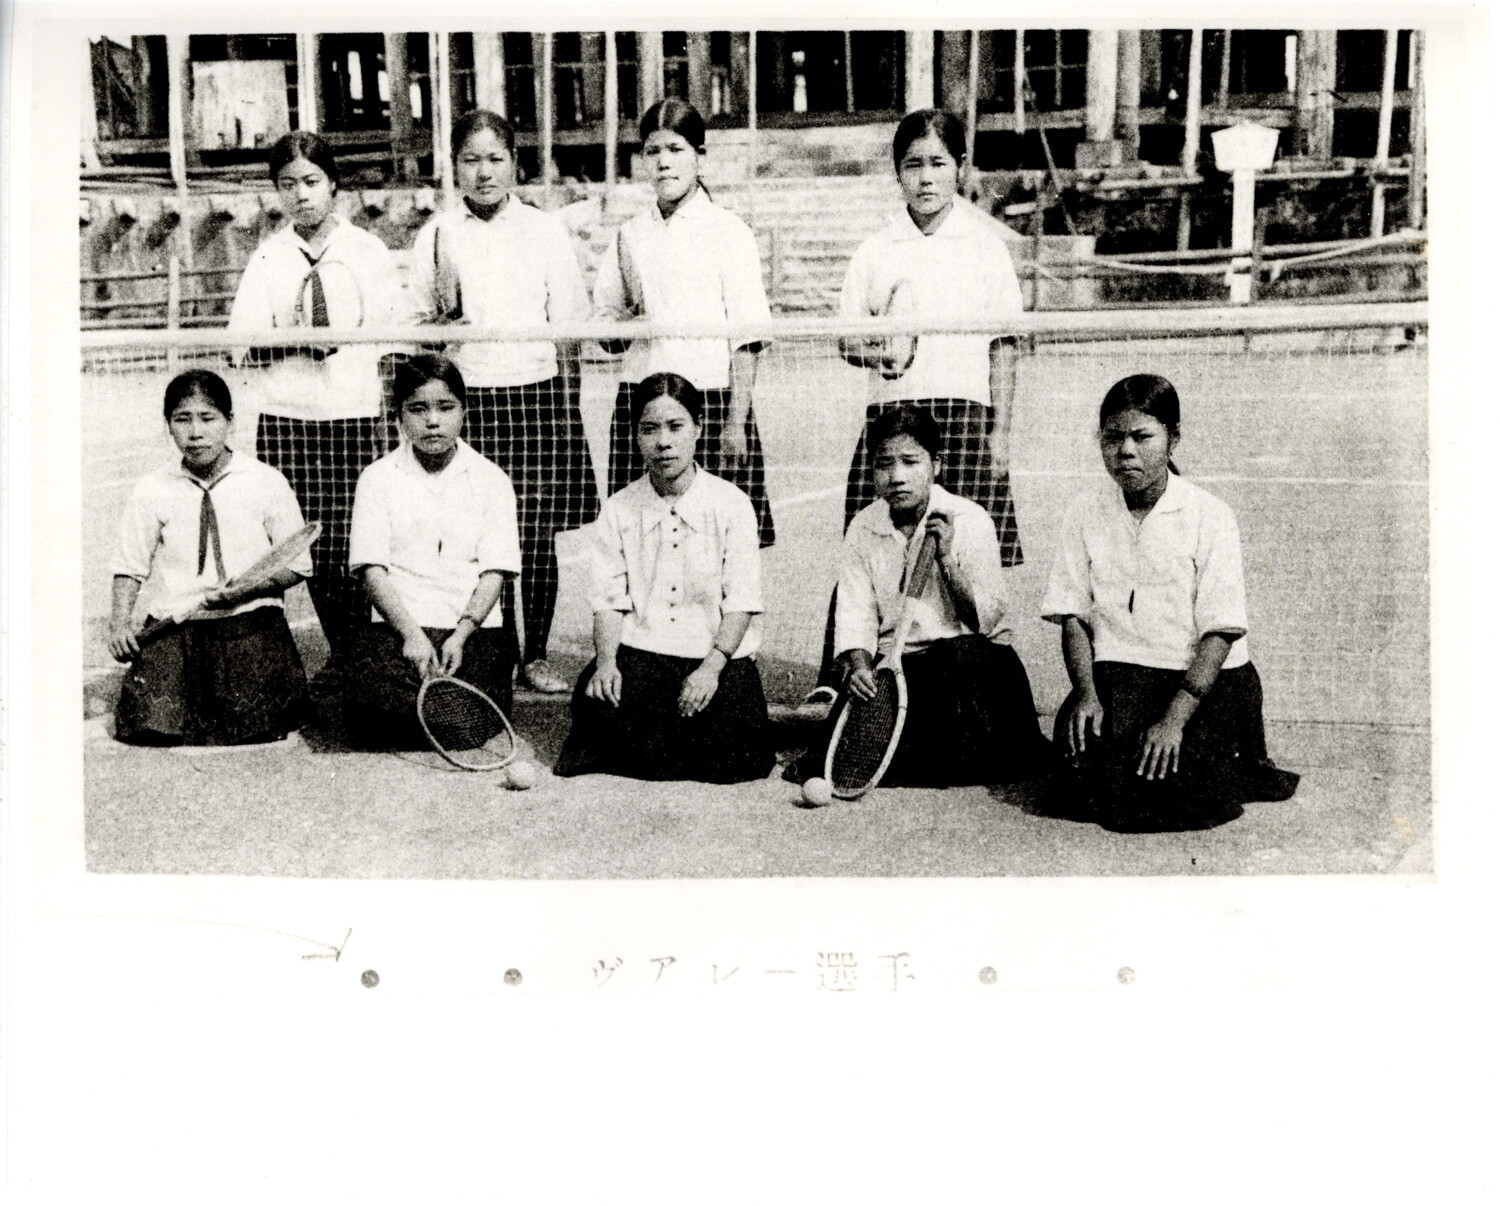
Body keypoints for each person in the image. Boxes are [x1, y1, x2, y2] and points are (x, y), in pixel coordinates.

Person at [809, 108, 1026, 700]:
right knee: (869, 542)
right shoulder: (877, 250)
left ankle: (980, 680)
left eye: (938, 163)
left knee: (967, 552)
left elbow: (1005, 346)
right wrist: (878, 351)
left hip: (964, 415)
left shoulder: (987, 248)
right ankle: (840, 678)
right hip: (895, 421)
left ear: (961, 167)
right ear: (897, 173)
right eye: (913, 165)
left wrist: (1001, 434)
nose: (926, 177)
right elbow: (848, 339)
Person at [1039, 374, 1300, 832]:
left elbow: (1221, 633)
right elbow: (1073, 615)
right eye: (1113, 437)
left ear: (1173, 439)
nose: (1126, 451)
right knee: (1077, 766)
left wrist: (1173, 722)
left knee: (1174, 785)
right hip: (1119, 675)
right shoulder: (1083, 511)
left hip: (1201, 682)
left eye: (1142, 437)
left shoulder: (1211, 515)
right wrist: (1086, 695)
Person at [407, 109, 597, 695]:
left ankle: (534, 653)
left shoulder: (544, 230)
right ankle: (483, 652)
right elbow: (416, 326)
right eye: (471, 160)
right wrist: (439, 326)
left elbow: (568, 327)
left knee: (535, 535)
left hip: (535, 397)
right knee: (473, 535)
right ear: (454, 167)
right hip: (468, 403)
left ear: (515, 163)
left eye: (495, 159)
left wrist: (566, 407)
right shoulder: (436, 233)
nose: (484, 172)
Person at [786, 405, 1050, 787]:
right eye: (883, 465)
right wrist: (860, 667)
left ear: (936, 465)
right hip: (897, 666)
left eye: (911, 462)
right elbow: (856, 615)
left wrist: (946, 560)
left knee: (970, 743)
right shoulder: (863, 525)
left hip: (967, 666)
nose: (896, 477)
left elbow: (986, 620)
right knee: (834, 756)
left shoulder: (970, 518)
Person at [227, 130, 404, 671]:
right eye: (287, 185)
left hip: (351, 418)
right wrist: (291, 338)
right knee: (297, 544)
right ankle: (331, 652)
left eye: (310, 182)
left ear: (333, 186)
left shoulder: (366, 251)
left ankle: (357, 654)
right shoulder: (268, 257)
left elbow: (393, 342)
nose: (300, 195)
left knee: (354, 540)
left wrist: (386, 417)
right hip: (289, 419)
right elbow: (240, 348)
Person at [555, 372, 774, 783]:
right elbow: (608, 600)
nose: (663, 442)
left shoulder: (733, 503)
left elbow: (743, 601)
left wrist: (710, 669)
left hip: (714, 657)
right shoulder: (619, 508)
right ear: (635, 436)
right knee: (597, 701)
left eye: (676, 427)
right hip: (643, 654)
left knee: (739, 751)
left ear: (698, 428)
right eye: (649, 429)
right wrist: (605, 663)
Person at [593, 98, 776, 548]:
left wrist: (735, 423)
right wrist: (622, 325)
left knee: (717, 543)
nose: (664, 163)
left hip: (710, 405)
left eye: (675, 149)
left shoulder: (729, 230)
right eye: (653, 152)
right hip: (641, 404)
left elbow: (747, 339)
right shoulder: (629, 234)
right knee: (639, 541)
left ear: (699, 155)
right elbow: (606, 332)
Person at [109, 370, 312, 745]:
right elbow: (129, 565)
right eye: (182, 419)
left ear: (230, 422)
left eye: (208, 418)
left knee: (255, 727)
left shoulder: (266, 480)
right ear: (168, 425)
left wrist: (244, 592)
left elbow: (298, 566)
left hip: (248, 619)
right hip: (177, 622)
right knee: (150, 725)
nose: (195, 432)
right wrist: (120, 623)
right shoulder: (151, 488)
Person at [344, 353, 522, 749]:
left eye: (445, 407)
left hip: (471, 631)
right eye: (417, 409)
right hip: (400, 630)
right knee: (368, 714)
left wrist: (459, 636)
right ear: (399, 416)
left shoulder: (492, 480)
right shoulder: (377, 479)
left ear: (464, 411)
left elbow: (495, 571)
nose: (432, 420)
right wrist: (412, 636)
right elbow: (372, 570)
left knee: (464, 725)